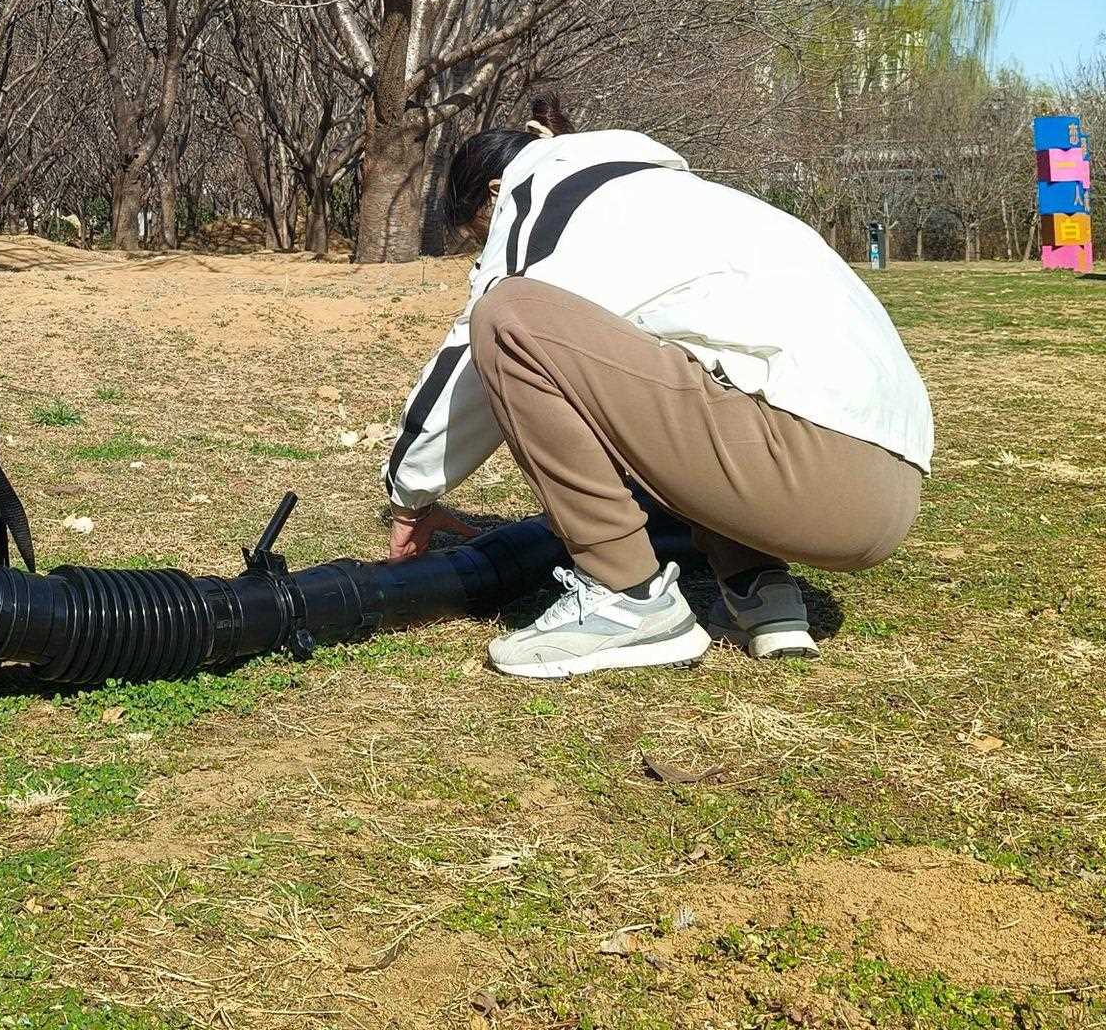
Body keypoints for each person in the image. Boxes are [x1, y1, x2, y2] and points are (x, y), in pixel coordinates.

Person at [381, 95, 932, 680]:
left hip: (802, 466)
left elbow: (469, 357)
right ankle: (759, 591)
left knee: (508, 316)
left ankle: (628, 598)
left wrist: (407, 494)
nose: (484, 248)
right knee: (675, 363)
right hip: (888, 487)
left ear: (495, 191)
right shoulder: (673, 200)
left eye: (477, 233)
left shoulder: (544, 198)